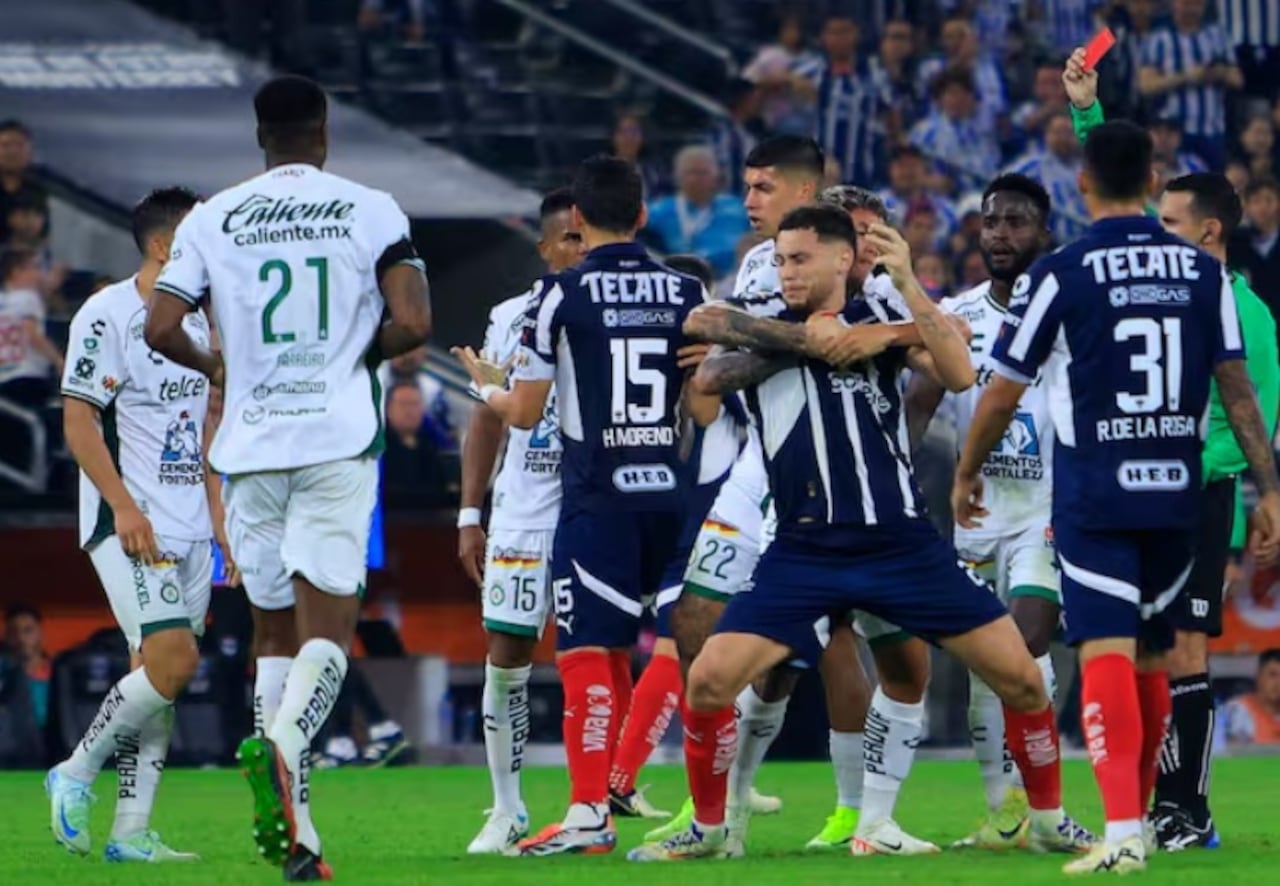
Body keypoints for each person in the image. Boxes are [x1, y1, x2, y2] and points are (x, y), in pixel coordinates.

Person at [668, 204, 1073, 863]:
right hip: (803, 547)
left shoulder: (883, 326)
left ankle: (1049, 819)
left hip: (900, 544)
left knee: (1024, 680)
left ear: (843, 260)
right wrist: (808, 341)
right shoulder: (764, 330)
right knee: (710, 682)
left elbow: (960, 370)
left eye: (800, 259)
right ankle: (711, 830)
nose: (787, 271)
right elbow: (707, 360)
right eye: (781, 259)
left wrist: (902, 295)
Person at [952, 119, 1280, 874]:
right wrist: (1268, 489)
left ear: (1083, 185)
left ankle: (1125, 831)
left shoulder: (1061, 273)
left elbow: (1002, 392)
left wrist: (967, 468)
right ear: (1150, 181)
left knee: (1104, 650)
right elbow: (1237, 392)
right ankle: (1144, 824)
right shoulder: (1204, 275)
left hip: (1097, 494)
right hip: (1179, 494)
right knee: (1159, 658)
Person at [144, 75, 432, 881]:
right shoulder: (370, 206)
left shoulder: (212, 217)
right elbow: (413, 321)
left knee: (272, 632)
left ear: (260, 134)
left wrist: (218, 367)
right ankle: (286, 744)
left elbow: (162, 325)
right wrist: (354, 357)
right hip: (335, 441)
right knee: (329, 633)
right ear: (325, 129)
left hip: (248, 449)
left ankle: (301, 840)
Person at [452, 155, 707, 857]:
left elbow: (525, 413)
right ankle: (708, 813)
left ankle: (588, 812)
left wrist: (484, 388)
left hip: (596, 500)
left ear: (580, 222)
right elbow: (708, 398)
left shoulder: (560, 296)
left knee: (588, 654)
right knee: (673, 650)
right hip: (670, 494)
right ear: (644, 214)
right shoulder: (686, 289)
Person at [907, 174, 1093, 852]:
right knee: (991, 664)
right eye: (991, 222)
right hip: (975, 516)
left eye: (1015, 222)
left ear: (1043, 232)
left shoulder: (1071, 313)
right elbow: (920, 405)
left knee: (1024, 645)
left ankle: (1037, 803)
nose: (1000, 235)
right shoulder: (957, 317)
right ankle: (1006, 812)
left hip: (1045, 510)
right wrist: (894, 479)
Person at [46, 186, 213, 863]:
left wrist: (222, 522)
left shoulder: (201, 322)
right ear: (166, 247)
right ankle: (75, 770)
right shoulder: (107, 313)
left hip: (193, 523)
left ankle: (130, 830)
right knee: (174, 660)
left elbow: (205, 429)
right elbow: (79, 420)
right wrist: (124, 506)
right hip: (130, 520)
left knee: (156, 677)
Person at [1149, 174, 1280, 849]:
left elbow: (1248, 418)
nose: (1154, 231)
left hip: (1199, 497)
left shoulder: (1248, 315)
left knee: (1185, 648)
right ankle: (1152, 804)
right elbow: (1119, 197)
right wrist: (1087, 113)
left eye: (1169, 223)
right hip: (1140, 491)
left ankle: (1188, 809)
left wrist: (1263, 496)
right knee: (1145, 649)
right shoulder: (1165, 294)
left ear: (1209, 232)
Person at [457, 188, 584, 854]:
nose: (578, 249)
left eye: (585, 237)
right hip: (524, 512)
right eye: (567, 238)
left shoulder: (613, 309)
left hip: (594, 510)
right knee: (507, 655)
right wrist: (469, 512)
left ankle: (594, 798)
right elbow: (487, 416)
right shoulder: (511, 316)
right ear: (543, 248)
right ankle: (506, 808)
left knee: (596, 656)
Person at [608, 253, 726, 825]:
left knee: (703, 646)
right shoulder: (698, 353)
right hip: (704, 505)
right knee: (682, 646)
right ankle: (620, 778)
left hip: (654, 496)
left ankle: (727, 777)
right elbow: (707, 414)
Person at [643, 146, 749, 279]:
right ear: (677, 177)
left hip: (729, 279)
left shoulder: (738, 208)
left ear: (716, 176)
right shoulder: (659, 210)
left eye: (703, 172)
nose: (696, 178)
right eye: (690, 172)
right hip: (675, 277)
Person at [381, 381, 450, 509]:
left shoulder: (432, 446)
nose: (409, 411)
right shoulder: (380, 451)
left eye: (415, 404)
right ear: (388, 410)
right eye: (403, 404)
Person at [1222, 648, 1280, 744]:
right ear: (1258, 676)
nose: (1278, 683)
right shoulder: (1239, 710)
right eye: (1272, 675)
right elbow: (1232, 754)